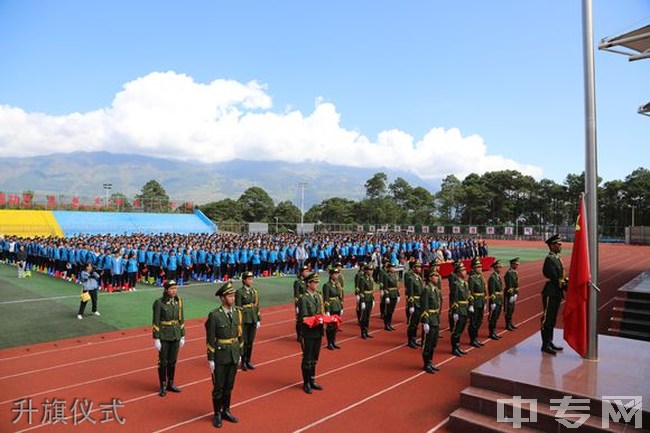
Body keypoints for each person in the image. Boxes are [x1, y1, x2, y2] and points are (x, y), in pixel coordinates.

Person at [206, 282, 242, 427]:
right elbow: (210, 339)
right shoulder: (214, 315)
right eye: (229, 295)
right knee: (219, 387)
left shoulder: (237, 312)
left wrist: (240, 353)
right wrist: (211, 359)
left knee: (229, 386)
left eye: (233, 295)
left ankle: (226, 410)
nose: (232, 298)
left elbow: (240, 335)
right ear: (222, 298)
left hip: (233, 353)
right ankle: (217, 413)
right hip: (220, 356)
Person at [152, 280, 186, 397]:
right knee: (163, 362)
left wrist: (182, 335)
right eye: (171, 289)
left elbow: (181, 319)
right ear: (166, 290)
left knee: (172, 361)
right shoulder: (159, 303)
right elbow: (156, 321)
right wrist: (156, 338)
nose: (174, 291)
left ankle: (171, 383)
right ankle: (162, 385)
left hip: (175, 334)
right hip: (164, 335)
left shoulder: (179, 302)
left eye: (175, 288)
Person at [298, 272, 325, 394]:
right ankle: (306, 382)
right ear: (308, 284)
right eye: (314, 282)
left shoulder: (318, 296)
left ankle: (312, 380)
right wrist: (316, 319)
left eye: (317, 282)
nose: (316, 284)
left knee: (314, 358)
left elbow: (322, 312)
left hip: (318, 331)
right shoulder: (304, 298)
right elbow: (303, 318)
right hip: (308, 332)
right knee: (307, 359)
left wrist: (325, 318)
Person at [541, 234, 567, 355]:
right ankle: (545, 344)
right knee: (547, 319)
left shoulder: (556, 258)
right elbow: (554, 277)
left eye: (560, 244)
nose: (560, 246)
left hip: (556, 292)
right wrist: (565, 284)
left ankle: (549, 341)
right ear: (552, 246)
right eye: (558, 244)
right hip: (550, 291)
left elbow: (561, 277)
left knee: (552, 319)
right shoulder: (549, 259)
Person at [236, 271, 261, 370]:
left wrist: (258, 318)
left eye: (251, 279)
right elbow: (238, 308)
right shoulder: (240, 292)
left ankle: (248, 360)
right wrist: (238, 322)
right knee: (244, 341)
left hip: (253, 318)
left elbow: (257, 305)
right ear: (244, 280)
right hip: (244, 319)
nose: (251, 281)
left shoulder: (254, 291)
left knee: (251, 341)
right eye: (249, 279)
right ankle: (243, 361)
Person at [420, 268, 443, 373]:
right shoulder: (426, 290)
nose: (437, 278)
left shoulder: (436, 290)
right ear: (429, 278)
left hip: (435, 319)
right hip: (429, 319)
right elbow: (424, 307)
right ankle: (426, 364)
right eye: (435, 276)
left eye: (437, 276)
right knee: (427, 343)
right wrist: (425, 322)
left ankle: (430, 361)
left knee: (434, 343)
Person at [450, 262, 470, 357]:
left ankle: (457, 347)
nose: (465, 272)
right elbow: (454, 299)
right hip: (459, 309)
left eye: (465, 270)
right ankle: (454, 348)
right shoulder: (456, 284)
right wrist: (455, 312)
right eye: (462, 270)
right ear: (458, 273)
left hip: (465, 308)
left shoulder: (465, 283)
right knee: (457, 330)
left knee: (461, 329)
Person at [467, 257, 487, 348]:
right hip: (475, 303)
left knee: (479, 321)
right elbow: (469, 292)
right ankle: (472, 339)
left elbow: (484, 291)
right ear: (474, 268)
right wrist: (471, 304)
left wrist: (485, 301)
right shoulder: (472, 278)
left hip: (481, 302)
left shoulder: (481, 277)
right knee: (473, 322)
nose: (480, 268)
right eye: (478, 267)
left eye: (480, 266)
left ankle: (475, 338)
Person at [322, 266, 343, 349]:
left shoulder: (338, 284)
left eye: (337, 274)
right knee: (330, 326)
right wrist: (327, 310)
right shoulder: (327, 285)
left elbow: (339, 296)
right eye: (334, 274)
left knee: (335, 326)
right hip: (331, 307)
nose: (336, 275)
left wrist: (341, 307)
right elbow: (326, 298)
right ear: (330, 275)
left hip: (337, 306)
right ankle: (329, 343)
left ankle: (333, 342)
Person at [405, 261, 424, 348]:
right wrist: (411, 305)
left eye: (420, 267)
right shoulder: (411, 278)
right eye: (418, 267)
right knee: (412, 323)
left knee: (416, 323)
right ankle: (410, 341)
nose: (420, 268)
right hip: (415, 303)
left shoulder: (419, 278)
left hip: (419, 302)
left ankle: (414, 339)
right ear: (414, 268)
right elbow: (410, 294)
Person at [356, 263, 375, 339]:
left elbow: (371, 290)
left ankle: (366, 331)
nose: (371, 271)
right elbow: (361, 291)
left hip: (369, 298)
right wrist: (362, 301)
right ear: (366, 270)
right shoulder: (362, 279)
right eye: (369, 270)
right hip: (365, 299)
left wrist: (373, 299)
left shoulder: (371, 279)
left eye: (371, 270)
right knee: (363, 317)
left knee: (368, 316)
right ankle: (363, 332)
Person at [380, 262, 400, 331]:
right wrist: (387, 296)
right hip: (389, 294)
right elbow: (385, 287)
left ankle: (389, 324)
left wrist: (398, 294)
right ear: (388, 268)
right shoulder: (386, 275)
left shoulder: (395, 275)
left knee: (391, 310)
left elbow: (397, 286)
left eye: (394, 267)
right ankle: (386, 324)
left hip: (394, 294)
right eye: (392, 267)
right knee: (387, 311)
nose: (393, 268)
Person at [487, 260, 503, 340]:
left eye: (500, 267)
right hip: (495, 300)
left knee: (496, 316)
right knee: (493, 317)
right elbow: (492, 291)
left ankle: (493, 331)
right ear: (495, 268)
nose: (500, 269)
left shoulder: (497, 276)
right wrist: (493, 302)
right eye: (499, 267)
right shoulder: (493, 278)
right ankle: (491, 332)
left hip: (499, 299)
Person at [293, 265, 310, 341]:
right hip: (300, 302)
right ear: (301, 272)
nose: (307, 273)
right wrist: (297, 305)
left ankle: (304, 333)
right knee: (299, 320)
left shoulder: (307, 281)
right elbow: (296, 294)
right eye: (305, 271)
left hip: (307, 302)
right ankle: (299, 335)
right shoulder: (297, 282)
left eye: (307, 271)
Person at [504, 257, 520, 331]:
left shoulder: (515, 272)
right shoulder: (509, 273)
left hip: (514, 293)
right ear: (512, 264)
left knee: (512, 309)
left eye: (517, 264)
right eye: (515, 264)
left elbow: (516, 285)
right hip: (509, 293)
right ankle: (507, 324)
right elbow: (509, 285)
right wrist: (511, 294)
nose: (517, 266)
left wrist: (516, 293)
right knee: (508, 309)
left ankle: (510, 322)